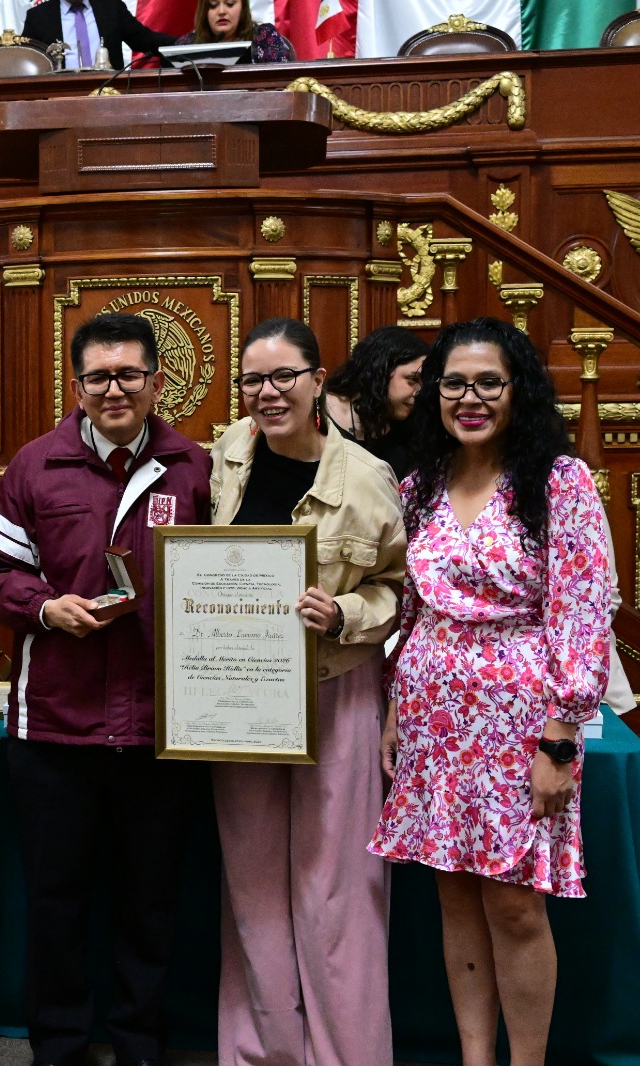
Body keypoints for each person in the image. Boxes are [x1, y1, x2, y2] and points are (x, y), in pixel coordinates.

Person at [369, 317, 612, 1066]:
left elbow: (584, 609)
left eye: (488, 383)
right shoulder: (419, 485)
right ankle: (476, 1059)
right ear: (433, 393)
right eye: (453, 384)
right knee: (453, 892)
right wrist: (394, 706)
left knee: (513, 903)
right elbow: (410, 610)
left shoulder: (559, 482)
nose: (469, 399)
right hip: (433, 714)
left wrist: (561, 738)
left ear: (518, 391)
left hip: (521, 721)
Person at [0, 313, 212, 1066]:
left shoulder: (195, 468)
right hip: (55, 726)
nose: (114, 390)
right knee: (56, 902)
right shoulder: (33, 466)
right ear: (76, 386)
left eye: (128, 375)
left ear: (157, 383)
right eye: (98, 377)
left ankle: (140, 1043)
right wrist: (45, 608)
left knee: (150, 902)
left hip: (159, 726)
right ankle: (60, 1046)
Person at [207, 317, 406, 1066]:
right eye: (254, 380)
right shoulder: (224, 456)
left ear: (318, 381)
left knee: (339, 889)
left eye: (284, 376)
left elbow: (398, 589)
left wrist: (346, 612)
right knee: (252, 881)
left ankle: (347, 1055)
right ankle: (264, 1051)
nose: (269, 393)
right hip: (240, 699)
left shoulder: (367, 476)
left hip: (334, 693)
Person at [323, 325, 429, 480]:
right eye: (412, 379)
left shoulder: (411, 428)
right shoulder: (321, 410)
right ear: (381, 371)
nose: (420, 391)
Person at [21, 0, 176, 70]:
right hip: (58, 97)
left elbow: (144, 39)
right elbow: (26, 58)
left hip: (108, 92)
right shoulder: (38, 16)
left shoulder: (111, 7)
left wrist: (181, 44)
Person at [173, 0, 293, 63]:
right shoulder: (188, 44)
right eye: (213, 5)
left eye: (230, 4)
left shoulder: (264, 37)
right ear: (204, 12)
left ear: (242, 8)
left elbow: (280, 82)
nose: (221, 11)